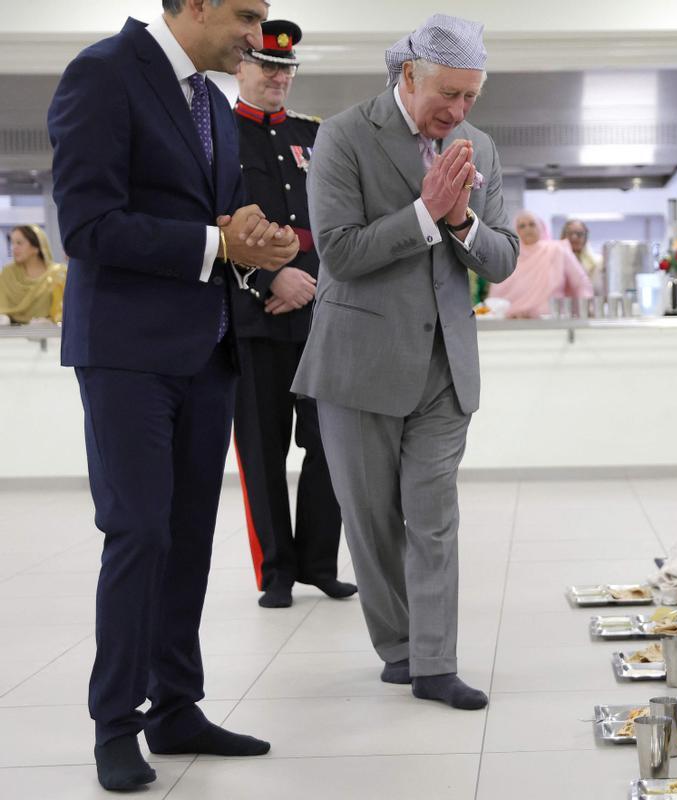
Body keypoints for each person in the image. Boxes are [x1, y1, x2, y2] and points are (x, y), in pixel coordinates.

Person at [47, 0, 300, 791]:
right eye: (245, 14)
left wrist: (257, 246)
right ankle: (115, 724)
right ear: (191, 5)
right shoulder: (103, 75)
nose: (257, 36)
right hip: (126, 356)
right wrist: (216, 242)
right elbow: (87, 225)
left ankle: (176, 707)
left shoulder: (214, 104)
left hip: (207, 349)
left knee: (188, 536)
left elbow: (219, 224)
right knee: (138, 536)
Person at [292, 13, 518, 711]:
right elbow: (339, 251)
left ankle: (434, 663)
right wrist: (426, 213)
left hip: (445, 366)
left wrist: (459, 222)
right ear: (408, 75)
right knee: (370, 518)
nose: (456, 112)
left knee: (433, 516)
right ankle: (397, 646)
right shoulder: (343, 135)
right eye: (446, 95)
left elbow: (503, 257)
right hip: (358, 362)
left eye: (470, 98)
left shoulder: (477, 144)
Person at [230, 19, 356, 609]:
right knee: (262, 450)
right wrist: (265, 278)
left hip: (320, 318)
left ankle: (318, 563)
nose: (278, 75)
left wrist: (314, 282)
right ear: (240, 67)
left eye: (286, 68)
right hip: (253, 323)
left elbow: (342, 226)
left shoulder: (318, 137)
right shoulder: (217, 138)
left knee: (330, 445)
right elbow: (216, 228)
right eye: (265, 64)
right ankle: (276, 571)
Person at [486, 211, 593, 318]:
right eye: (522, 226)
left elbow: (581, 283)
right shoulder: (509, 257)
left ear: (541, 226)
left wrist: (587, 309)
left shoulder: (557, 250)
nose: (527, 229)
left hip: (552, 320)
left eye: (532, 224)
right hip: (514, 321)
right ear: (516, 231)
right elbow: (495, 296)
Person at [0, 225, 66, 324]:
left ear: (36, 247)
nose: (14, 248)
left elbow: (64, 311)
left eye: (19, 243)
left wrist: (50, 322)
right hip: (10, 336)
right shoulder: (8, 274)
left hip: (51, 335)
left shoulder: (57, 273)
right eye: (12, 243)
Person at [560, 217, 601, 290]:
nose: (574, 237)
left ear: (585, 238)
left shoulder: (596, 263)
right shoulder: (554, 261)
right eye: (570, 234)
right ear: (563, 236)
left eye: (579, 234)